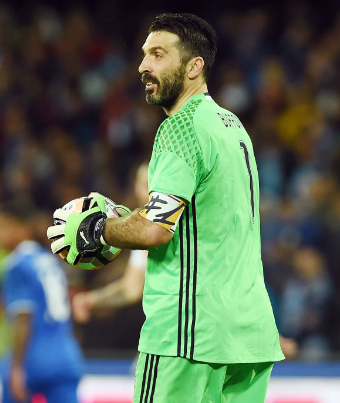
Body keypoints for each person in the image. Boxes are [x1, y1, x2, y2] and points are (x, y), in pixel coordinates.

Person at [48, 13, 285, 402]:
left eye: (158, 55)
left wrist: (97, 229)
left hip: (189, 335)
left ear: (194, 66)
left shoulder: (180, 127)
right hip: (249, 337)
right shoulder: (232, 127)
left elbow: (156, 229)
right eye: (144, 55)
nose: (143, 66)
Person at [0, 206, 83, 403]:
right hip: (65, 355)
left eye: (3, 227)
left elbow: (23, 318)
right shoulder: (51, 261)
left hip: (33, 358)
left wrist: (16, 367)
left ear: (22, 228)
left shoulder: (16, 265)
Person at [72, 163, 149, 323]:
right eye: (146, 185)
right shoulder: (143, 234)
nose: (152, 193)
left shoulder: (187, 226)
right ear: (136, 188)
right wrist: (91, 300)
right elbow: (130, 288)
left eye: (158, 186)